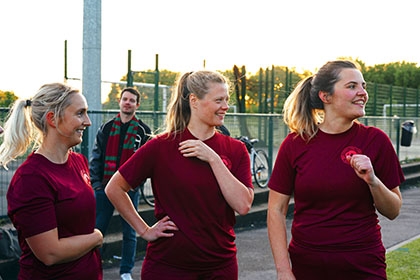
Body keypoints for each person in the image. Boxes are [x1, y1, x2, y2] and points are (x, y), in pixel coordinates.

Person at [105, 70, 254, 279]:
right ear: (194, 101)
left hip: (220, 267)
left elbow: (243, 205)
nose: (225, 106)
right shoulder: (161, 146)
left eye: (226, 100)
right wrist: (145, 230)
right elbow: (114, 188)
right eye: (219, 100)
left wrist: (213, 159)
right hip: (167, 267)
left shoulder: (235, 149)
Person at [267, 60, 404, 280]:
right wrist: (283, 270)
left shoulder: (376, 140)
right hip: (308, 265)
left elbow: (393, 210)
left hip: (364, 265)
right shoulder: (295, 144)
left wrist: (373, 181)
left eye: (364, 86)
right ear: (325, 96)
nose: (362, 93)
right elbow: (275, 210)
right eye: (352, 86)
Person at [0, 83, 103, 279]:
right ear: (52, 119)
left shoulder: (78, 160)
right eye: (80, 113)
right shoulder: (31, 178)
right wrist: (96, 237)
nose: (88, 121)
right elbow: (50, 253)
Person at [89, 87, 151, 280]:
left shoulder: (143, 131)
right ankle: (91, 268)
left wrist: (135, 185)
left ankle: (125, 271)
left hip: (129, 190)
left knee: (130, 233)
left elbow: (146, 164)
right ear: (120, 101)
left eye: (132, 100)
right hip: (104, 189)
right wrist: (97, 185)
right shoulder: (106, 128)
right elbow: (96, 157)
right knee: (97, 231)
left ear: (137, 105)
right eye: (125, 99)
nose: (127, 103)